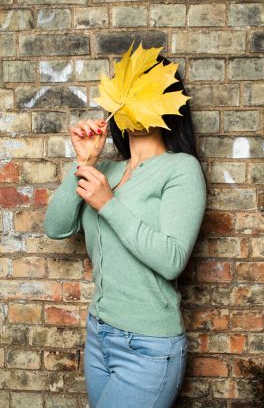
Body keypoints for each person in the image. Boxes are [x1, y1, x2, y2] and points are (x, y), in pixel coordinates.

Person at [43, 53, 207, 408]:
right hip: (99, 334)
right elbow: (55, 228)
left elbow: (172, 259)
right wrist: (84, 162)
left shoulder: (181, 169)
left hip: (148, 347)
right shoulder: (108, 171)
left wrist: (108, 204)